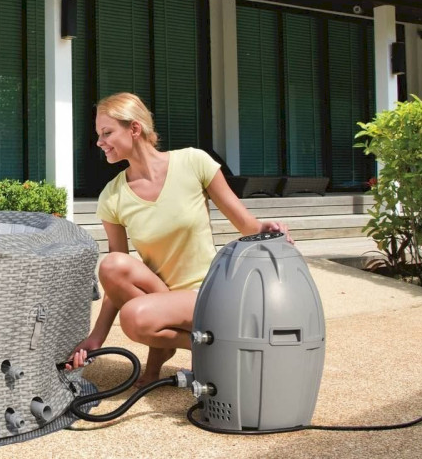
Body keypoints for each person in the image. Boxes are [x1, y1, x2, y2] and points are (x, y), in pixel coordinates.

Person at [65, 92, 292, 388]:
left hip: (208, 292)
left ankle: (197, 347)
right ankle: (204, 346)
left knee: (134, 317)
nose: (99, 142)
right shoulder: (112, 195)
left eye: (107, 133)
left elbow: (246, 225)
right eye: (99, 134)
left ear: (134, 128)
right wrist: (97, 337)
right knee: (112, 265)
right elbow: (115, 284)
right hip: (161, 297)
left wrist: (266, 227)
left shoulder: (193, 162)